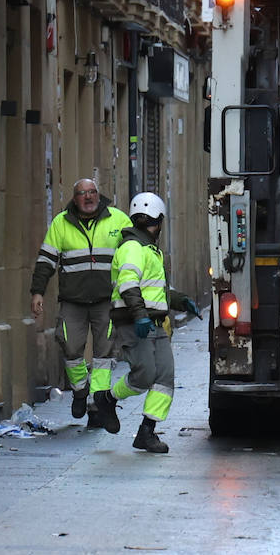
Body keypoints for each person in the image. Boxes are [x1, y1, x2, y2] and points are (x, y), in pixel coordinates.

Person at [93, 192, 199, 454]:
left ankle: (147, 432)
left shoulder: (151, 250)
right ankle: (107, 399)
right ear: (159, 220)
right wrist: (140, 315)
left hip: (155, 322)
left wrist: (181, 300)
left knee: (165, 377)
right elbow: (128, 285)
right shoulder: (133, 247)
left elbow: (155, 290)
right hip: (134, 322)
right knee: (144, 376)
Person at [30, 178, 133, 423]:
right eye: (82, 193)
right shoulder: (61, 223)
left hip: (107, 301)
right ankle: (79, 390)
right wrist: (37, 292)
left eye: (92, 192)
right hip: (73, 301)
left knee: (104, 355)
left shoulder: (118, 220)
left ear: (99, 194)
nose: (88, 197)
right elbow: (46, 260)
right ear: (74, 198)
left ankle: (98, 403)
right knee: (70, 346)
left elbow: (134, 255)